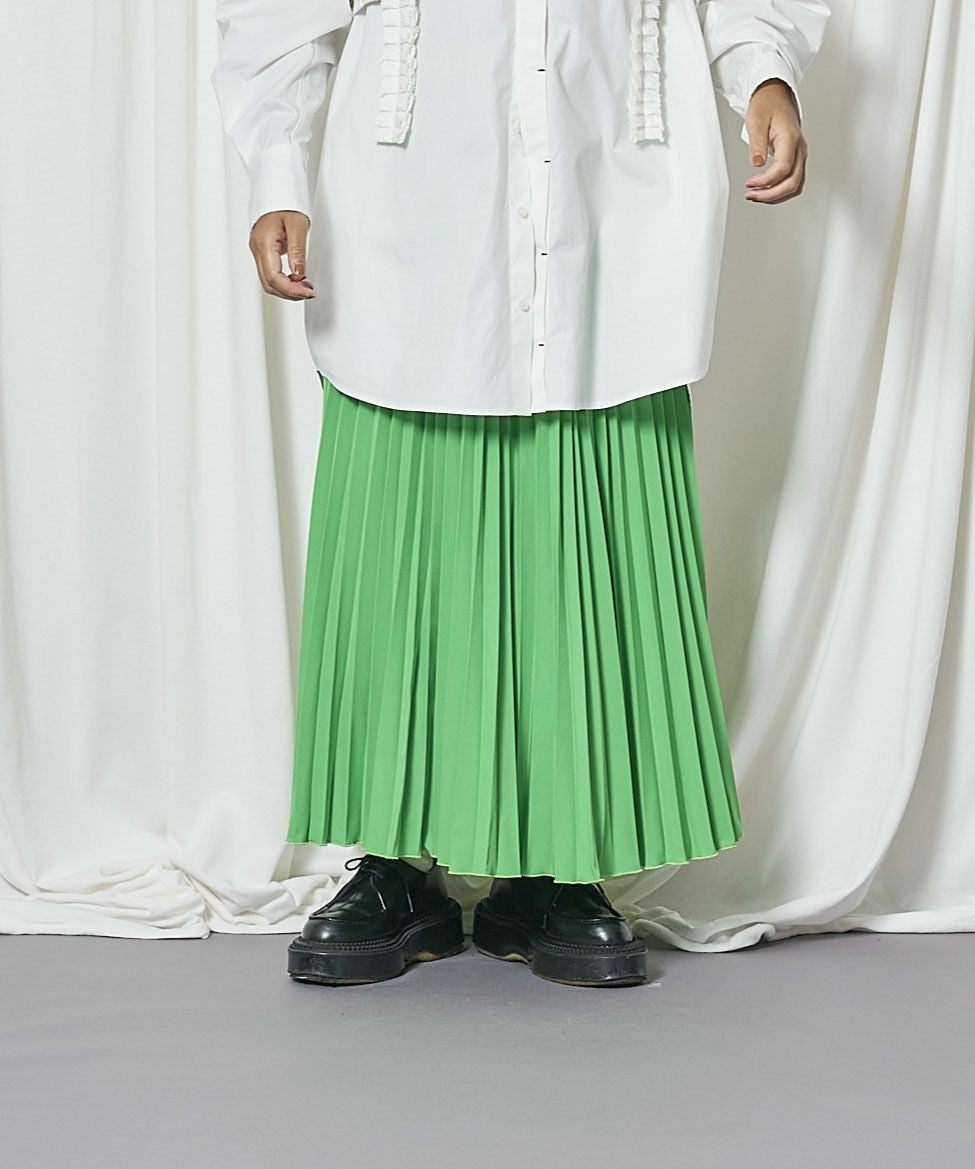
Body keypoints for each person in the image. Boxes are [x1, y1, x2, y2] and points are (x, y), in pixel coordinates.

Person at [210, 0, 829, 988]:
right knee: (402, 534)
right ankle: (392, 866)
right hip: (416, 190)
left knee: (587, 525)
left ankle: (556, 870)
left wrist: (764, 72)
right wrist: (277, 170)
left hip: (610, 183)